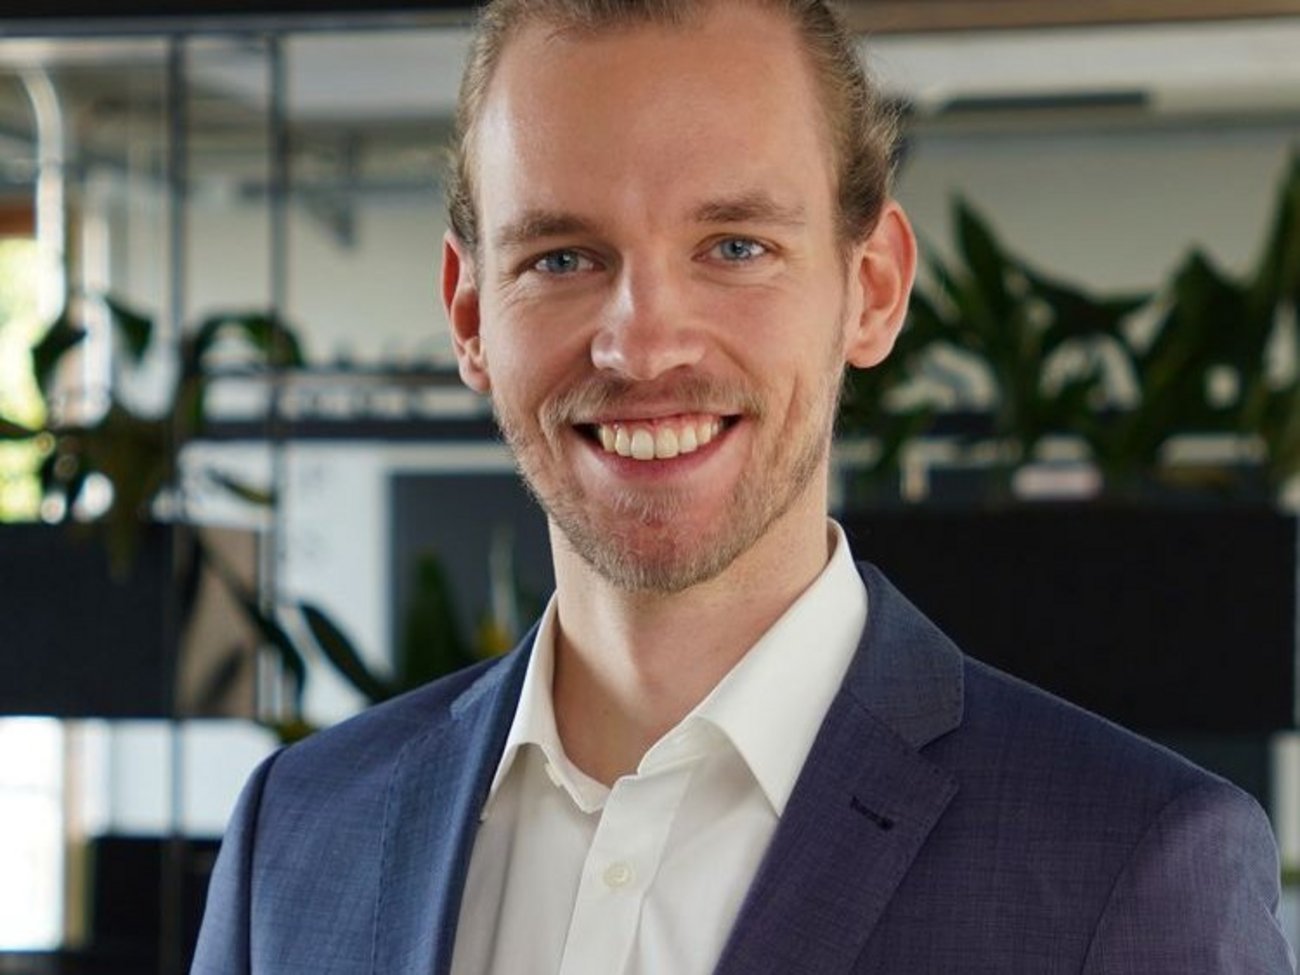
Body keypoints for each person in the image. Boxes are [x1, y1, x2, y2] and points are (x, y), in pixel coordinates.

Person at [191, 0, 1295, 971]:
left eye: (734, 246)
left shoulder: (1128, 866)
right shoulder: (300, 836)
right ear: (471, 313)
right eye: (562, 258)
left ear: (872, 289)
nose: (642, 346)